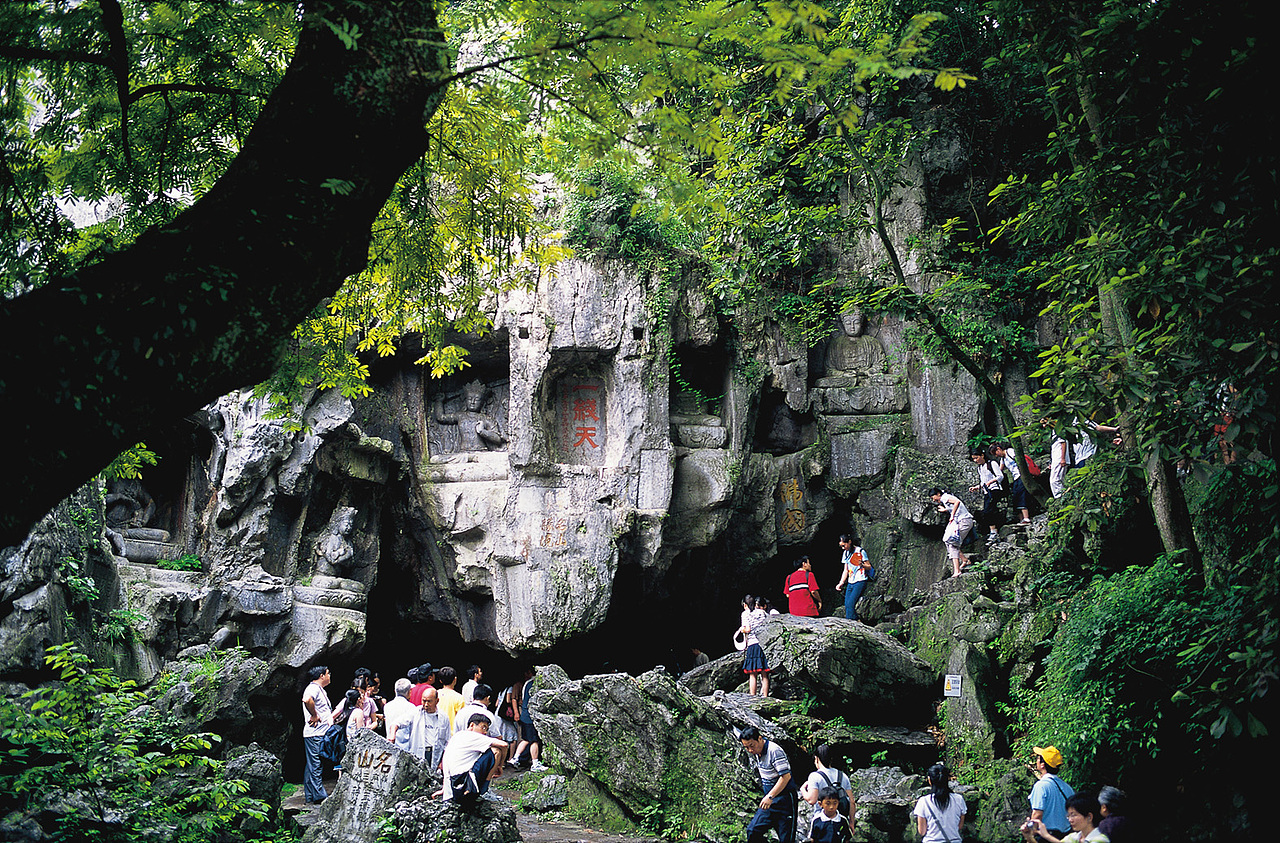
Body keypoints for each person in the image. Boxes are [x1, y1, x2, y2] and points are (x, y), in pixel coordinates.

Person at [740, 725, 797, 843]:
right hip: (770, 801)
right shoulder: (757, 752)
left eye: (752, 746)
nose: (750, 750)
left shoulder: (774, 751)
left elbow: (786, 777)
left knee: (786, 839)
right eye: (746, 747)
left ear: (760, 739)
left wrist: (770, 796)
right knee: (753, 830)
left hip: (785, 799)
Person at [439, 713, 508, 804]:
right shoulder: (471, 736)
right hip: (465, 786)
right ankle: (485, 789)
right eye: (483, 727)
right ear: (472, 725)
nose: (485, 732)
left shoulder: (456, 737)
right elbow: (504, 745)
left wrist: (444, 789)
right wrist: (500, 766)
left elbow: (446, 764)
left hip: (452, 789)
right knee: (496, 751)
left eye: (487, 729)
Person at [800, 745, 854, 840]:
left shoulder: (815, 776)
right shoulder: (843, 776)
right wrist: (851, 822)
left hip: (822, 820)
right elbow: (851, 802)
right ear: (831, 759)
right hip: (840, 820)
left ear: (816, 759)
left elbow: (811, 800)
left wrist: (802, 789)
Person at [1028, 745, 1075, 841]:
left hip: (1046, 836)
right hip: (1066, 836)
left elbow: (1037, 815)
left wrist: (1030, 836)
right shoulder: (1067, 788)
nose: (1036, 760)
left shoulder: (1041, 786)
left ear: (1042, 765)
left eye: (1038, 758)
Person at [301, 665, 333, 804]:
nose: (329, 676)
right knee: (316, 764)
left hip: (318, 732)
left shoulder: (319, 689)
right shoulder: (313, 688)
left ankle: (310, 795)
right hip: (315, 733)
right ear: (321, 676)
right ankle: (320, 796)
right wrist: (314, 715)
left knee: (312, 764)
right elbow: (307, 699)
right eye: (328, 673)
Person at [1022, 792, 1109, 843]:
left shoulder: (1100, 839)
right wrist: (1029, 837)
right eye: (1069, 815)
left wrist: (1047, 835)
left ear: (1089, 816)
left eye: (1073, 815)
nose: (1070, 820)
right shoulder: (1073, 838)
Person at [914, 762, 965, 843]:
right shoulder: (959, 799)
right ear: (948, 779)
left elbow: (922, 831)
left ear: (929, 780)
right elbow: (959, 826)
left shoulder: (923, 802)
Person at [929, 488, 975, 577]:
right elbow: (955, 506)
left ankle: (957, 571)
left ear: (938, 494)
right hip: (962, 521)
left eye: (933, 497)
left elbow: (957, 502)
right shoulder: (945, 498)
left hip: (964, 521)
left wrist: (952, 515)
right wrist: (946, 510)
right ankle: (965, 560)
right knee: (948, 541)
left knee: (953, 544)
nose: (933, 500)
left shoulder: (944, 497)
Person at [513, 665, 548, 772]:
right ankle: (535, 763)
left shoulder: (526, 684)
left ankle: (515, 758)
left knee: (526, 739)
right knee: (534, 741)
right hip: (530, 717)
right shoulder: (534, 684)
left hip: (524, 715)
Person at [990, 442, 1031, 525]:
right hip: (1015, 478)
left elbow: (1020, 460)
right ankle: (1021, 519)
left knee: (1021, 496)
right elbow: (1000, 470)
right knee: (1015, 497)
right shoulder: (1003, 459)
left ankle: (1026, 518)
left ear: (999, 449)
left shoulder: (1010, 452)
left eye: (995, 453)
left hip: (1021, 475)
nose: (996, 456)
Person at [969, 448, 1006, 540]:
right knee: (986, 512)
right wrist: (977, 487)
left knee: (988, 511)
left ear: (982, 455)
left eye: (976, 458)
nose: (975, 460)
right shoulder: (980, 468)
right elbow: (983, 482)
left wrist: (991, 482)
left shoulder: (992, 464)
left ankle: (994, 532)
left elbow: (1000, 476)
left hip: (995, 489)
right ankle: (993, 531)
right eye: (973, 459)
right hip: (987, 492)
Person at [409, 686, 450, 766]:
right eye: (424, 701)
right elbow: (400, 722)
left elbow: (447, 740)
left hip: (435, 754)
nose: (426, 704)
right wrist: (393, 732)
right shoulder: (416, 712)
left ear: (437, 701)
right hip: (419, 753)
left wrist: (442, 761)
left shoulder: (443, 717)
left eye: (429, 701)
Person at [833, 535, 871, 622]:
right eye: (841, 546)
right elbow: (845, 570)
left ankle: (852, 623)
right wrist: (841, 582)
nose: (843, 548)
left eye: (844, 545)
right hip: (851, 581)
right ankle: (857, 621)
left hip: (860, 580)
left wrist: (862, 564)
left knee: (850, 604)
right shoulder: (845, 553)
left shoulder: (860, 551)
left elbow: (869, 566)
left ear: (849, 542)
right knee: (847, 605)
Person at [740, 596, 771, 697]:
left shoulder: (745, 614)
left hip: (753, 644)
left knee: (752, 674)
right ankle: (765, 696)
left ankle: (752, 696)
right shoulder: (762, 612)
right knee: (764, 673)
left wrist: (742, 630)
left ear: (745, 605)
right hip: (763, 643)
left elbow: (748, 629)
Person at [384, 677, 417, 751]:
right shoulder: (411, 707)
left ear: (395, 691)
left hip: (390, 745)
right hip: (406, 748)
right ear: (409, 692)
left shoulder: (387, 706)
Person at [436, 666, 467, 730]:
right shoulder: (459, 698)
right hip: (452, 735)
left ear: (440, 681)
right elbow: (462, 720)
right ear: (455, 679)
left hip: (436, 733)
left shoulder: (435, 694)